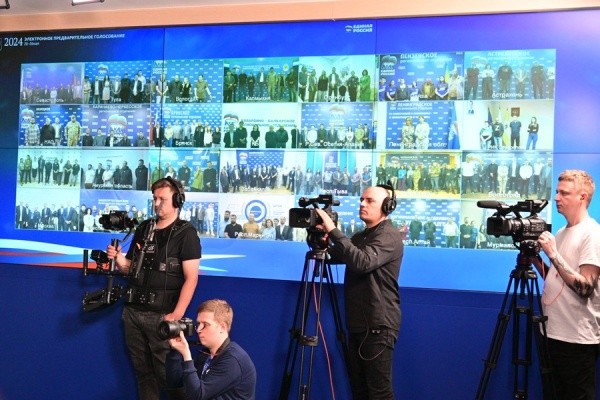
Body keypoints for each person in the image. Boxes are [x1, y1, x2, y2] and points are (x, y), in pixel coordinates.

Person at [106, 177, 201, 400]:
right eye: (154, 199)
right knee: (143, 374)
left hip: (162, 316)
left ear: (177, 200)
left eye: (162, 199)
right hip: (132, 312)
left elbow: (192, 278)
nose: (157, 204)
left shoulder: (186, 233)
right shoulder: (144, 228)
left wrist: (176, 315)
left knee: (167, 376)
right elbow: (131, 268)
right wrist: (118, 259)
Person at [315, 185, 403, 399]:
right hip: (358, 325)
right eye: (362, 199)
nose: (362, 204)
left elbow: (362, 262)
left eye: (370, 200)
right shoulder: (362, 236)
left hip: (378, 327)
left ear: (387, 206)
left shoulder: (389, 236)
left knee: (379, 394)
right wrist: (322, 239)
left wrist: (333, 230)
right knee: (360, 392)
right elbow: (336, 256)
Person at [533, 170, 600, 400]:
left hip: (576, 339)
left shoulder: (592, 233)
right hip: (552, 333)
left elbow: (585, 288)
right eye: (557, 192)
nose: (556, 198)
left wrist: (553, 254)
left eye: (564, 193)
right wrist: (536, 260)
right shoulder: (562, 232)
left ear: (582, 197)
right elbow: (558, 279)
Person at [166, 299, 257, 399]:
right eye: (198, 324)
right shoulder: (206, 354)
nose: (198, 330)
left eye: (205, 325)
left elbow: (198, 396)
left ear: (222, 327)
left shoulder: (233, 360)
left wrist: (186, 356)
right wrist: (175, 351)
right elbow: (175, 384)